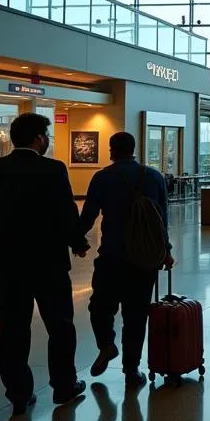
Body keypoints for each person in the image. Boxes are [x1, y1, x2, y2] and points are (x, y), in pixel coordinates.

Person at [0, 112, 90, 413]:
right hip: (48, 263)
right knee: (61, 326)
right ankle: (64, 386)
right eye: (47, 135)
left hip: (7, 263)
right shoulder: (53, 169)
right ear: (39, 138)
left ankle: (18, 393)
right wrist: (78, 243)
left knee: (13, 329)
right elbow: (66, 212)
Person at [80, 131, 173, 385]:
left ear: (111, 150)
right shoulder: (153, 177)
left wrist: (76, 241)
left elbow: (88, 215)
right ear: (135, 149)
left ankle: (106, 343)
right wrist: (167, 250)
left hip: (111, 255)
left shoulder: (102, 178)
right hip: (144, 258)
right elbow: (162, 218)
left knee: (100, 306)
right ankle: (131, 370)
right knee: (136, 314)